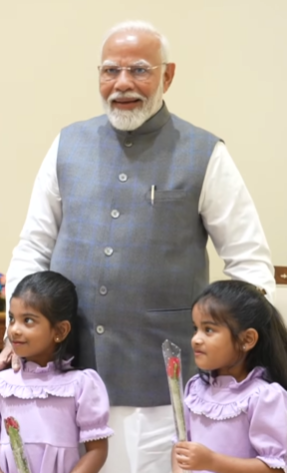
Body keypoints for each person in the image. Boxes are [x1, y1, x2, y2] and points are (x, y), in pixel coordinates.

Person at [2, 19, 276, 473]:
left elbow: (249, 262)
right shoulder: (66, 145)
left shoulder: (205, 152)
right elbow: (33, 244)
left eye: (139, 70)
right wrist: (19, 326)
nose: (122, 83)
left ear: (167, 76)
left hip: (164, 380)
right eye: (110, 71)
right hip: (66, 376)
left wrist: (245, 356)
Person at [0, 271, 113, 473]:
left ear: (60, 331)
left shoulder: (81, 385)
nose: (14, 329)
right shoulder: (3, 384)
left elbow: (96, 450)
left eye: (27, 320)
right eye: (12, 318)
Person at [173, 280, 287, 473]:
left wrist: (212, 461)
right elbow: (180, 448)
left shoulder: (264, 397)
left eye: (208, 330)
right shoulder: (194, 389)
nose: (195, 339)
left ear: (247, 339)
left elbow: (275, 468)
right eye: (195, 328)